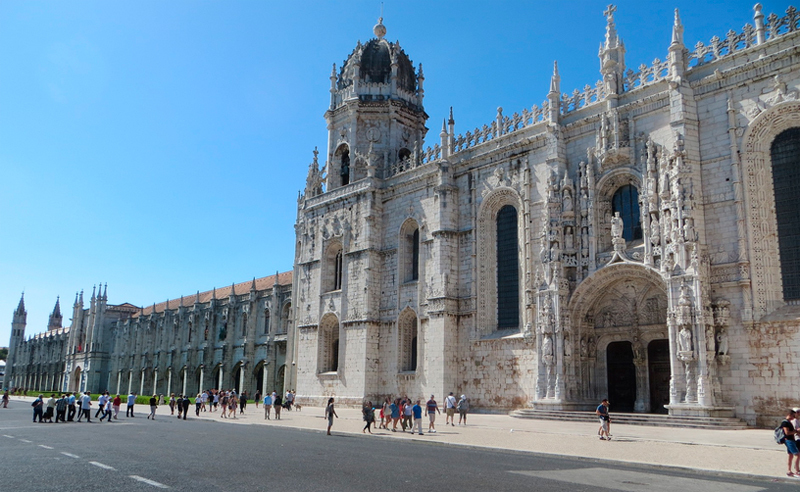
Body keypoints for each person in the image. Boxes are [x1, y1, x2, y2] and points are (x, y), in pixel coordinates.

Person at [781, 409, 800, 477]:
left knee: (790, 455)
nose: (794, 417)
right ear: (790, 415)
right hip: (789, 440)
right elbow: (787, 432)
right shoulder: (785, 423)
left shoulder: (788, 422)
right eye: (793, 416)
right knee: (797, 454)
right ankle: (797, 471)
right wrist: (795, 431)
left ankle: (789, 471)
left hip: (790, 440)